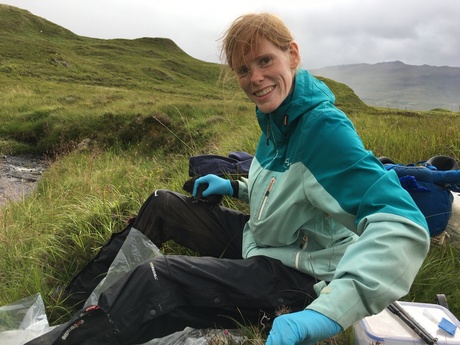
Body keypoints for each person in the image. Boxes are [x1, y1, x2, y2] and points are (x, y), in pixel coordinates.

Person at [27, 12, 430, 345]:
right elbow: (294, 190)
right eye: (243, 68)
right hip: (264, 242)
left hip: (300, 276)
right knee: (163, 204)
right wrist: (235, 187)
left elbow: (402, 225)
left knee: (158, 278)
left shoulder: (323, 130)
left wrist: (322, 315)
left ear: (293, 55)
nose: (255, 78)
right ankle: (74, 306)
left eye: (265, 61)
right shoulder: (276, 119)